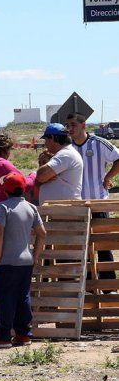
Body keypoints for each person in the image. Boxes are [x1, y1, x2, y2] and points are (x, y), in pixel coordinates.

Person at [0, 172, 46, 349]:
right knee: (23, 297)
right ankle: (23, 334)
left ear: (6, 190)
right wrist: (36, 256)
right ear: (23, 189)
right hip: (26, 261)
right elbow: (42, 234)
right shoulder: (31, 208)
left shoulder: (3, 207)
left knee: (5, 298)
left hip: (8, 262)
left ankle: (3, 335)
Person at [67, 112, 119, 282]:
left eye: (73, 125)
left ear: (83, 125)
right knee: (82, 245)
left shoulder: (99, 143)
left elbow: (118, 159)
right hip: (77, 206)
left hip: (98, 203)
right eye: (68, 126)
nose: (70, 129)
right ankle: (89, 284)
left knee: (103, 245)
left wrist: (108, 178)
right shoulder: (67, 147)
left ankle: (108, 285)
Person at [35, 123, 83, 205]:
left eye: (46, 140)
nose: (45, 144)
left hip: (63, 212)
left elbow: (41, 175)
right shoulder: (66, 153)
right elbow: (39, 180)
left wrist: (44, 176)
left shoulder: (65, 154)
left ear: (52, 138)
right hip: (61, 211)